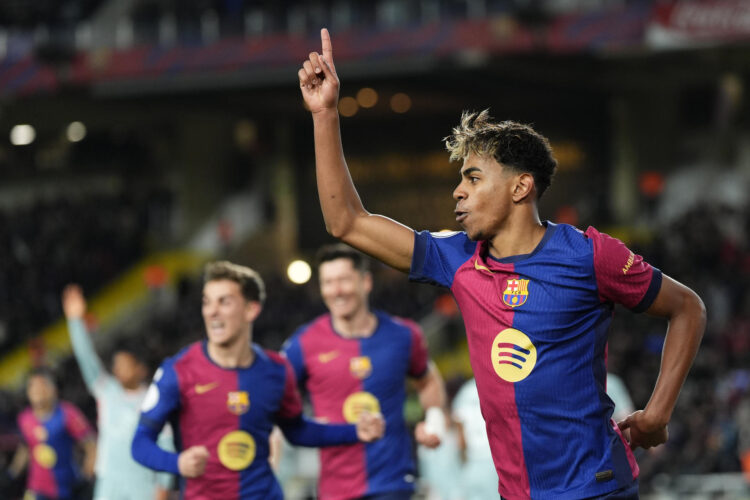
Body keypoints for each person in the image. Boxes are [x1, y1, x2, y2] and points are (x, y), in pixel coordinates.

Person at [297, 29, 707, 498]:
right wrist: (325, 114)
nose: (458, 191)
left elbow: (688, 308)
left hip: (597, 488)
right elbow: (347, 222)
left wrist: (658, 412)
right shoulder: (456, 258)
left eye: (473, 177)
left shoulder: (590, 255)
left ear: (520, 188)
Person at [131, 260, 385, 499]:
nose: (212, 312)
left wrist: (354, 431)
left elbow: (297, 430)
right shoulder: (177, 370)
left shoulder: (276, 371)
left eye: (224, 302)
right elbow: (140, 443)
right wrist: (177, 463)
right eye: (207, 302)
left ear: (251, 309)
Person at [283, 244, 447, 500]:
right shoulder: (304, 343)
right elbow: (275, 393)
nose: (336, 290)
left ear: (366, 281)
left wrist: (434, 419)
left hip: (394, 483)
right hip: (335, 489)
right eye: (328, 282)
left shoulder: (403, 335)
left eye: (344, 280)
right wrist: (297, 426)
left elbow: (427, 379)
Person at [62, 284, 173, 500]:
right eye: (116, 364)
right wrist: (75, 321)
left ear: (141, 370)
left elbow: (166, 447)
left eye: (125, 364)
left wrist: (163, 487)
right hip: (109, 482)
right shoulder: (106, 390)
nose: (118, 369)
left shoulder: (155, 403)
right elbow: (86, 357)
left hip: (142, 485)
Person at [12, 367, 97, 500]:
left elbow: (92, 447)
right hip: (37, 490)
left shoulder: (68, 413)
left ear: (54, 389)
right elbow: (25, 448)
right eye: (33, 386)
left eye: (43, 385)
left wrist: (87, 477)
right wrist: (12, 473)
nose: (38, 390)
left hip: (69, 488)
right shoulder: (24, 419)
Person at [451, 377, 499, 500]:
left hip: (473, 464)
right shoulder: (494, 387)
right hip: (496, 462)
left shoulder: (463, 394)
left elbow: (461, 442)